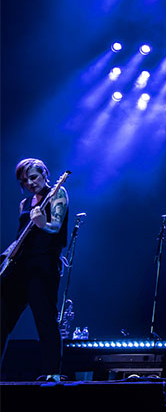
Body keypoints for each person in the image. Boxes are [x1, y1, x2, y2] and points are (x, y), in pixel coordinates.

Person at [0, 158, 69, 381]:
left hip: (43, 266)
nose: (30, 183)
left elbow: (55, 227)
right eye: (24, 180)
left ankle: (51, 373)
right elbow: (20, 237)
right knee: (2, 320)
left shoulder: (58, 193)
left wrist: (42, 224)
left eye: (33, 177)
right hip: (19, 268)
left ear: (44, 174)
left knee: (45, 318)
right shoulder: (25, 203)